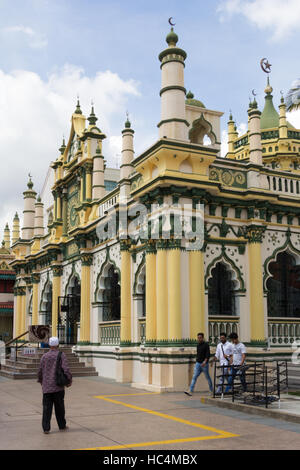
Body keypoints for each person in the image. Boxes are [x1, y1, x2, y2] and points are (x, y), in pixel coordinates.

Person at [37, 336, 72, 434]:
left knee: (46, 408)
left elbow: (40, 370)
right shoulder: (61, 355)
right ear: (57, 345)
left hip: (47, 387)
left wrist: (41, 381)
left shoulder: (44, 356)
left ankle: (46, 428)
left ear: (49, 345)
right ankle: (62, 425)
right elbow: (66, 369)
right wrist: (69, 380)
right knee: (59, 407)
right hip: (58, 387)